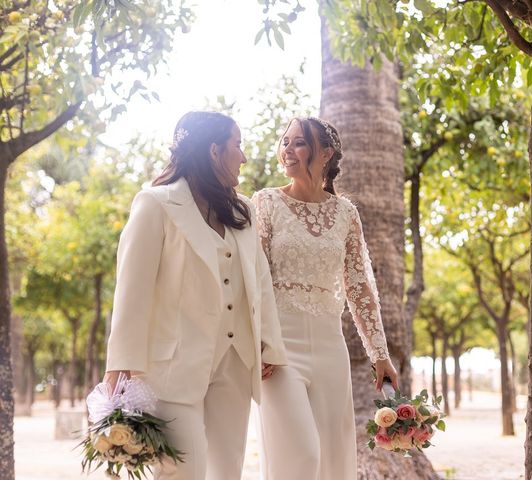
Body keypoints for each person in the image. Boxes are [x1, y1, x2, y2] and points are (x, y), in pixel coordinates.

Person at [103, 111, 287, 480]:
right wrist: (120, 368)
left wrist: (270, 344)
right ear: (215, 151)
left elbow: (260, 281)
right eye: (238, 146)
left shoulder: (243, 210)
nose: (244, 157)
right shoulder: (155, 204)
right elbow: (131, 290)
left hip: (235, 362)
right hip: (172, 365)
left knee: (227, 470)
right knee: (182, 471)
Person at [253, 116, 399, 480]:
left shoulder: (346, 213)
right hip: (279, 348)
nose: (287, 149)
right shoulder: (266, 202)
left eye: (298, 142)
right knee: (300, 455)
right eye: (285, 140)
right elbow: (254, 278)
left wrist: (379, 354)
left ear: (326, 153)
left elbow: (358, 285)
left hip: (330, 347)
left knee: (333, 458)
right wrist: (257, 340)